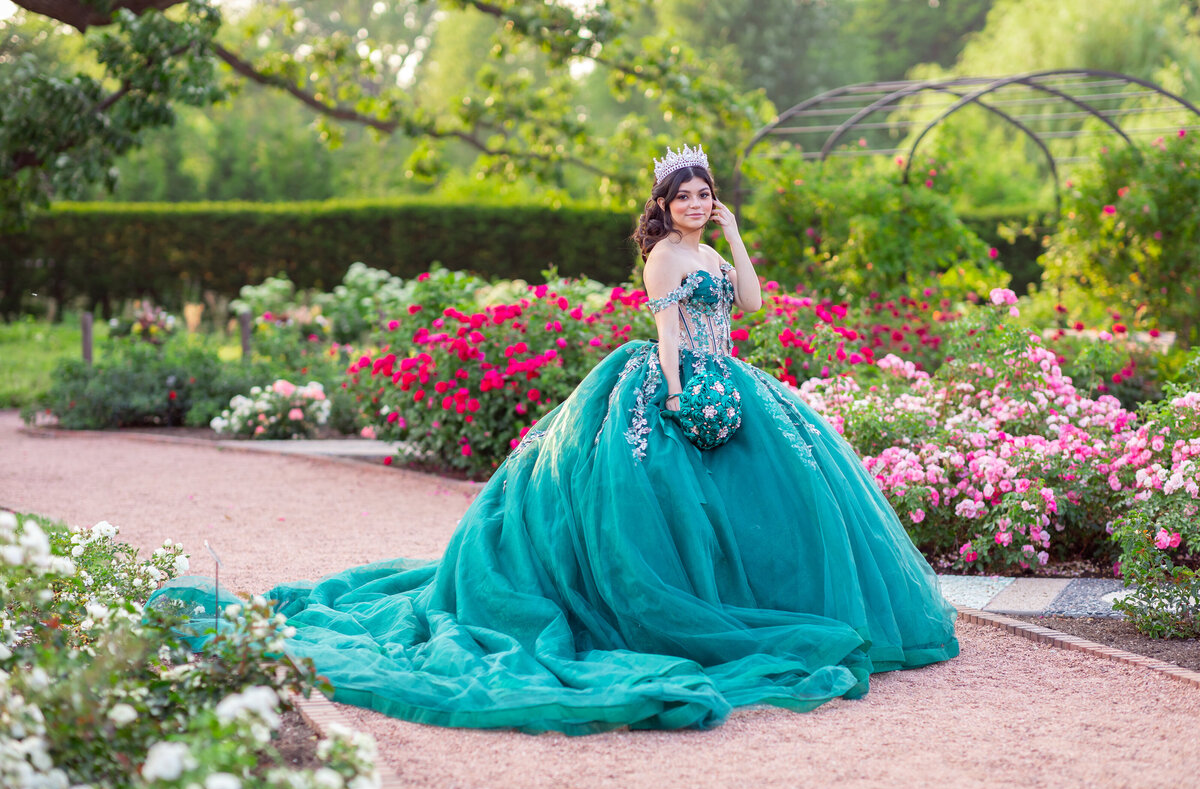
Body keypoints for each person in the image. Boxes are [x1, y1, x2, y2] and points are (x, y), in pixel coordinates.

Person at [151, 144, 959, 736]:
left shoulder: (713, 246)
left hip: (736, 379)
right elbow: (672, 331)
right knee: (664, 505)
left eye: (705, 194)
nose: (696, 203)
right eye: (685, 196)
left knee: (777, 502)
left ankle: (745, 597)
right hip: (679, 383)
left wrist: (738, 236)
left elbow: (747, 307)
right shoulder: (663, 260)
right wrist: (678, 400)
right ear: (663, 206)